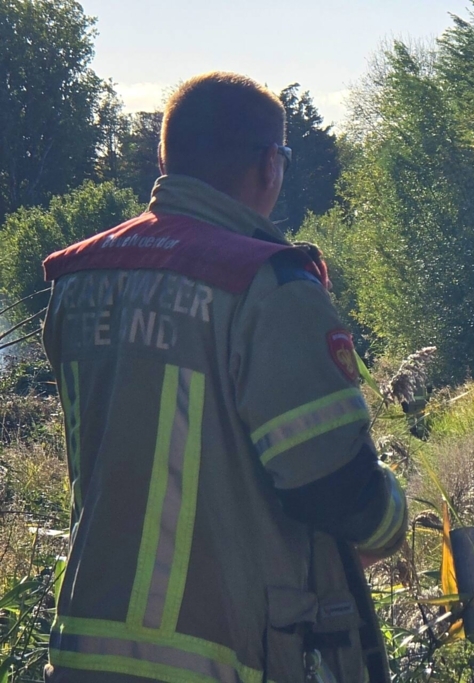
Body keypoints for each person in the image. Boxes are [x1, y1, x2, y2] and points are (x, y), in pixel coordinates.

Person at [41, 72, 407, 683]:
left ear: (168, 160)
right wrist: (391, 516)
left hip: (81, 653)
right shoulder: (266, 286)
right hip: (223, 657)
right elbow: (333, 486)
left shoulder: (79, 279)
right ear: (270, 166)